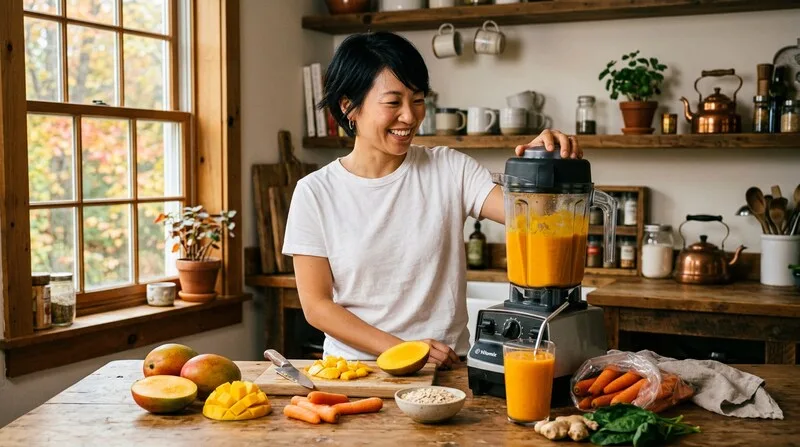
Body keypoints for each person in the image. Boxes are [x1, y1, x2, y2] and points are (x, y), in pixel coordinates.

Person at [283, 31, 581, 370]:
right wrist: (404, 350)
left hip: (446, 369)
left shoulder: (449, 168)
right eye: (393, 102)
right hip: (356, 373)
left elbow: (532, 218)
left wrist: (546, 163)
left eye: (418, 99)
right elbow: (317, 305)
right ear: (348, 106)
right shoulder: (315, 192)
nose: (410, 117)